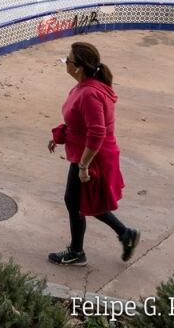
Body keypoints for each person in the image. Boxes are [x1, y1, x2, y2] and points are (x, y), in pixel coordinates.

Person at [48, 41, 139, 267]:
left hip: (91, 156)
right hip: (86, 153)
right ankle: (124, 234)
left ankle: (79, 251)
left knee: (77, 202)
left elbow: (97, 132)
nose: (65, 63)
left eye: (67, 60)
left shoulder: (89, 93)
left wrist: (84, 166)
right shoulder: (85, 87)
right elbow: (79, 121)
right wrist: (60, 136)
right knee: (81, 202)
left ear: (78, 67)